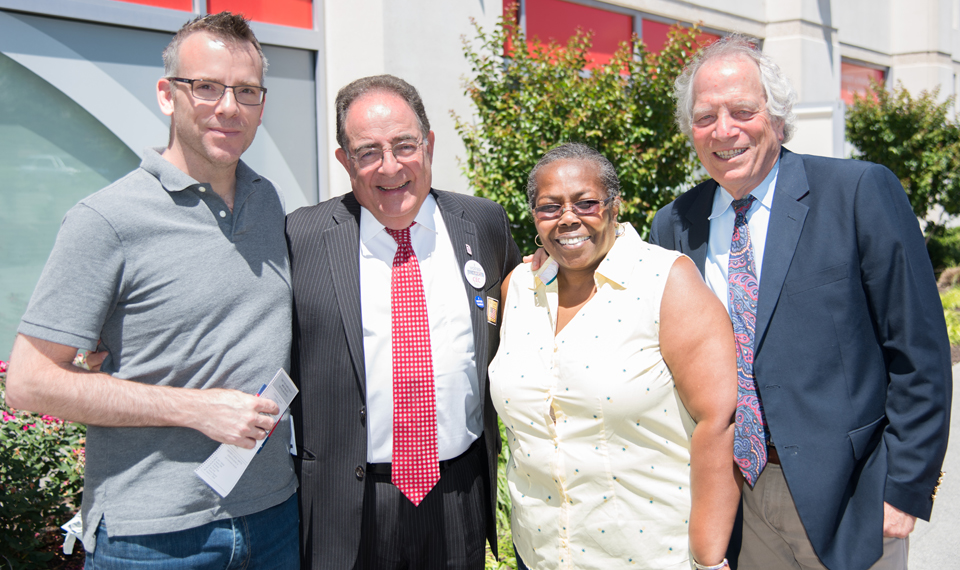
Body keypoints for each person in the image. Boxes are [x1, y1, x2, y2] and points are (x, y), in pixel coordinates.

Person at [4, 13, 299, 568]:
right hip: (153, 538)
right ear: (167, 95)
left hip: (275, 517)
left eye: (247, 91)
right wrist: (196, 410)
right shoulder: (106, 220)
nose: (228, 107)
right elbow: (28, 382)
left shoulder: (268, 202)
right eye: (206, 86)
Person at [649, 35, 952, 570]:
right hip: (732, 497)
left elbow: (919, 352)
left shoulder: (857, 192)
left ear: (777, 118)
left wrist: (905, 488)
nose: (724, 130)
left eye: (742, 110)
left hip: (850, 498)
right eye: (705, 117)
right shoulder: (674, 225)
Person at [286, 74, 522, 570]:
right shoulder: (301, 237)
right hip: (348, 504)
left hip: (457, 491)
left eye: (405, 145)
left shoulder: (483, 224)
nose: (390, 167)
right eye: (367, 152)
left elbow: (526, 315)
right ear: (344, 162)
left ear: (429, 144)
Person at [489, 142, 741, 570]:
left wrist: (708, 556)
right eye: (550, 207)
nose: (569, 217)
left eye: (586, 202)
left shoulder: (665, 281)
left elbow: (718, 422)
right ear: (534, 215)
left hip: (652, 555)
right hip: (545, 555)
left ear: (613, 205)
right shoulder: (518, 290)